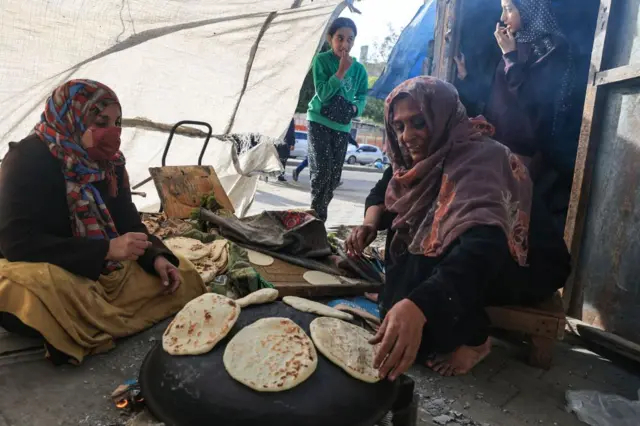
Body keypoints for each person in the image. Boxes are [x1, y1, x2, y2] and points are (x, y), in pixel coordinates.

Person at [345, 77, 570, 379]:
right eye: (399, 127)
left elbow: (483, 247)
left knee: (424, 291)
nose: (407, 136)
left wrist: (419, 306)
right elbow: (382, 193)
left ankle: (477, 342)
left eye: (419, 122)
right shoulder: (415, 158)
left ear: (441, 116)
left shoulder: (482, 158)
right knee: (404, 280)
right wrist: (369, 225)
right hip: (476, 253)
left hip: (526, 263)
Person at [0, 80, 206, 364]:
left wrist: (156, 256)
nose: (113, 131)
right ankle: (88, 319)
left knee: (182, 270)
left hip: (97, 269)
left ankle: (87, 322)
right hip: (41, 265)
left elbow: (129, 223)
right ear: (72, 117)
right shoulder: (27, 159)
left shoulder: (110, 163)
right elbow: (18, 244)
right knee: (39, 289)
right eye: (101, 121)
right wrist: (106, 250)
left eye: (117, 122)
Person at [456, 0, 574, 231]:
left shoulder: (551, 47)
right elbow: (499, 98)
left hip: (525, 154)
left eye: (509, 8)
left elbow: (534, 102)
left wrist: (510, 57)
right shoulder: (513, 45)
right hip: (496, 145)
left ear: (530, 8)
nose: (503, 16)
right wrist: (466, 78)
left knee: (512, 220)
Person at [306, 17, 368, 221]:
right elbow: (323, 94)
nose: (345, 44)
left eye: (350, 40)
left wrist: (354, 108)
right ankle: (316, 219)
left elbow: (362, 96)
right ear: (330, 38)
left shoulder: (359, 70)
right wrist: (341, 71)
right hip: (319, 122)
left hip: (342, 126)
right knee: (322, 171)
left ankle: (317, 216)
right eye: (340, 38)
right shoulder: (321, 61)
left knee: (334, 177)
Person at [292, 135, 359, 185]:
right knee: (314, 160)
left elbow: (346, 135)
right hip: (322, 144)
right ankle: (331, 182)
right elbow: (346, 135)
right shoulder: (338, 122)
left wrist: (354, 143)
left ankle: (331, 181)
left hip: (321, 143)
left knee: (314, 160)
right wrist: (355, 143)